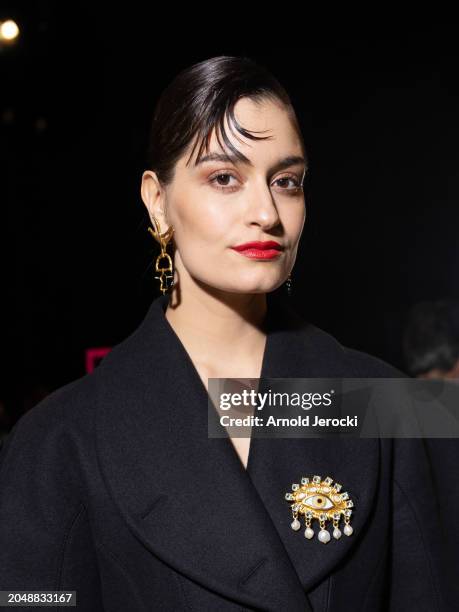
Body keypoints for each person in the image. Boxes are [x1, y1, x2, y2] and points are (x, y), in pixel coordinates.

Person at [1, 55, 458, 611]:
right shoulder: (58, 441)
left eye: (286, 181)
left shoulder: (387, 408)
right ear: (157, 201)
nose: (266, 211)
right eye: (225, 178)